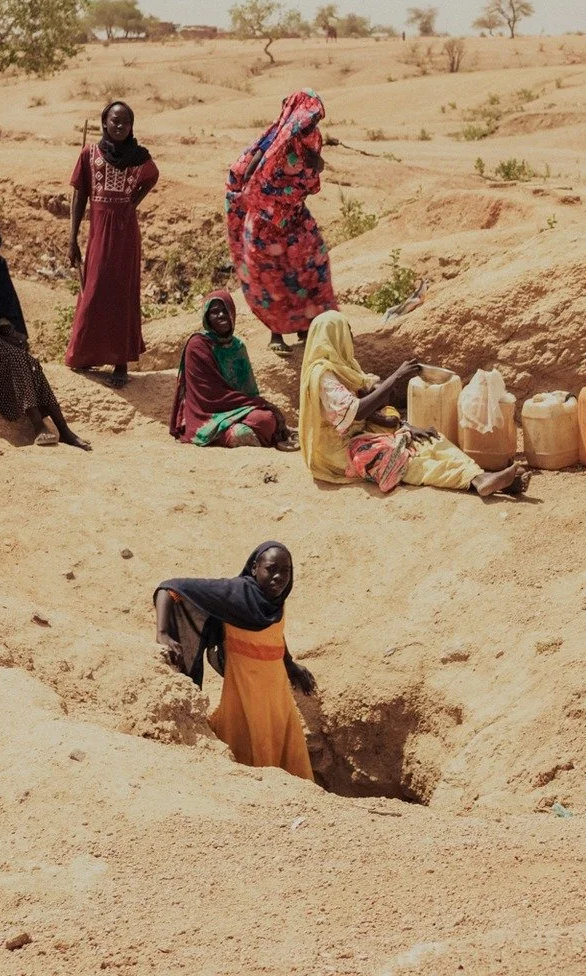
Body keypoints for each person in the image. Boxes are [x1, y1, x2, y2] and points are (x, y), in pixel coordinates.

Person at [297, 311, 524, 499]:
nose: (351, 340)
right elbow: (357, 411)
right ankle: (472, 481)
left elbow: (370, 398)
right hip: (337, 452)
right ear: (334, 337)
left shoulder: (346, 366)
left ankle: (478, 476)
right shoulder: (323, 375)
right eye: (347, 335)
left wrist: (403, 424)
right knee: (401, 457)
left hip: (359, 433)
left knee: (427, 439)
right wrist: (395, 378)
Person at [154, 542, 315, 780]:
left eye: (286, 570)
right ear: (254, 568)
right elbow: (169, 589)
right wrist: (163, 633)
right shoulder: (234, 595)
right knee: (251, 744)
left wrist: (290, 664)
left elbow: (273, 634)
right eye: (271, 569)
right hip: (245, 691)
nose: (279, 577)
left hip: (277, 693)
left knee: (283, 742)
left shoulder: (274, 603)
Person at [0, 223, 89, 450]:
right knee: (16, 358)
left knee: (32, 362)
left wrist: (8, 330)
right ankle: (38, 425)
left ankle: (64, 429)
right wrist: (0, 337)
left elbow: (5, 307)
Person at [225, 89, 337, 355]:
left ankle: (306, 326)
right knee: (272, 276)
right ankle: (276, 334)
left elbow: (312, 172)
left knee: (312, 264)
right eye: (308, 118)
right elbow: (247, 173)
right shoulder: (272, 139)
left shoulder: (313, 139)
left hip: (295, 218)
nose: (310, 124)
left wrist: (316, 163)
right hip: (265, 223)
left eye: (314, 119)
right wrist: (265, 196)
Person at [66, 101, 157, 387]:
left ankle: (120, 363)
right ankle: (85, 355)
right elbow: (79, 197)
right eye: (115, 121)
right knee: (93, 291)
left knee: (122, 292)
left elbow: (152, 177)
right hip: (98, 233)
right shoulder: (89, 154)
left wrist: (134, 202)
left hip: (125, 232)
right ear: (104, 122)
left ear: (132, 126)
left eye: (125, 122)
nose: (120, 126)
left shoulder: (139, 156)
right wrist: (72, 239)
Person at [168, 290, 294, 450]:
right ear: (207, 317)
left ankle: (251, 434)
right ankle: (234, 436)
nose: (221, 315)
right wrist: (258, 404)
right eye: (214, 312)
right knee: (243, 432)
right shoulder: (198, 345)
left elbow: (249, 391)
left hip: (238, 408)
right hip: (208, 414)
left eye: (225, 310)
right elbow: (209, 397)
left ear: (232, 313)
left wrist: (257, 405)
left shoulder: (237, 346)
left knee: (265, 419)